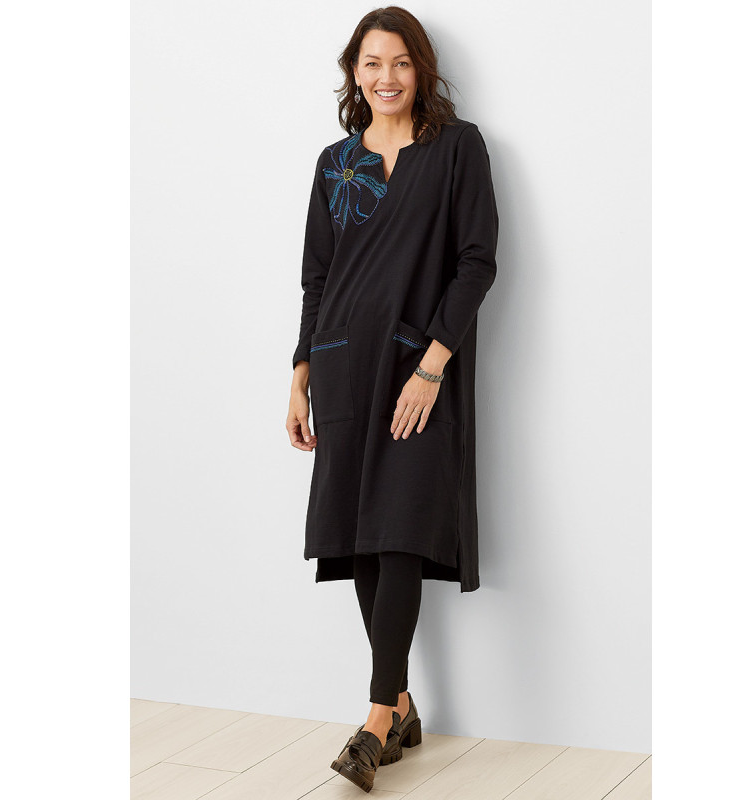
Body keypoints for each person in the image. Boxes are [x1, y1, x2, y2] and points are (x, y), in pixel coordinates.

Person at [286, 6, 499, 792]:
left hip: (416, 365)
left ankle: (377, 717)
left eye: (401, 62)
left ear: (422, 70)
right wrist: (300, 372)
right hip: (343, 364)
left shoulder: (456, 150)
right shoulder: (335, 164)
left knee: (400, 527)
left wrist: (434, 365)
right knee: (363, 535)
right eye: (372, 63)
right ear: (354, 71)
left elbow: (476, 262)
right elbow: (317, 279)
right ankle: (401, 703)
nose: (387, 77)